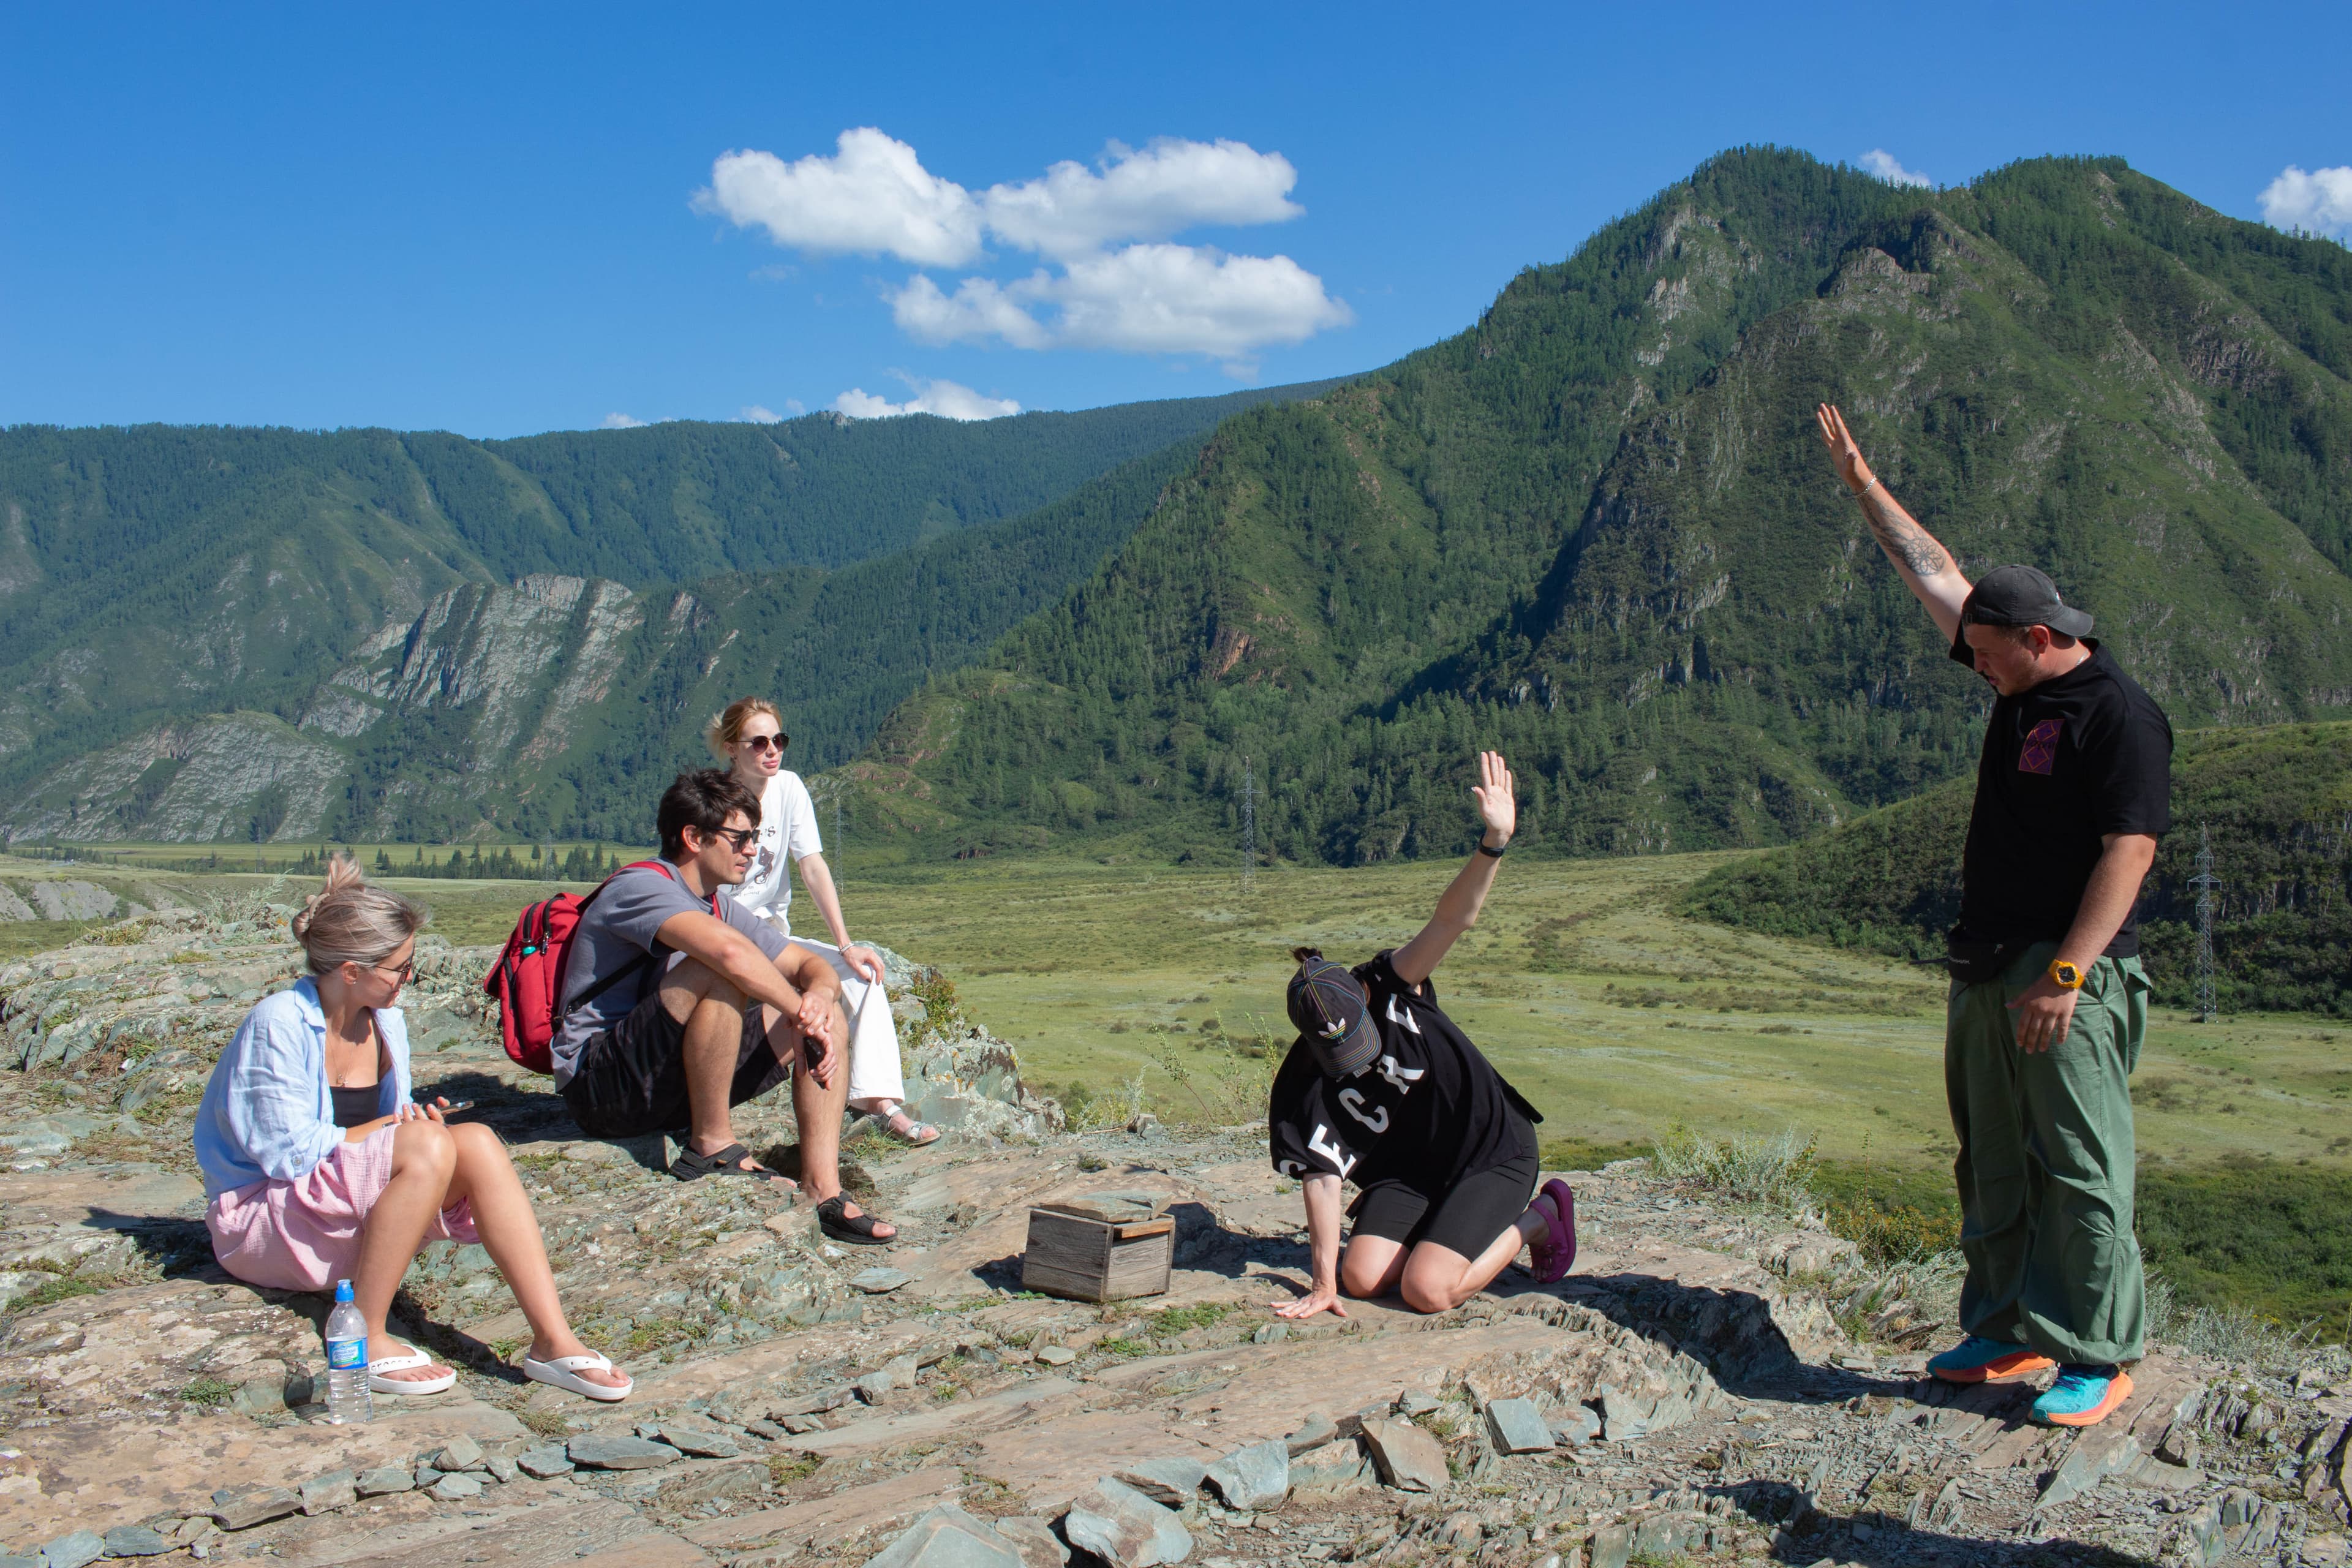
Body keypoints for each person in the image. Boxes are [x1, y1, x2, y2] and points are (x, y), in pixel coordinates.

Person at [1817, 404, 2171, 1428]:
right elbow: (1934, 574)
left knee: (2081, 1164)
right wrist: (1864, 486)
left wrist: (2067, 974)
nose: (1972, 665)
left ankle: (2098, 1351)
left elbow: (2131, 850)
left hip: (2066, 974)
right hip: (1986, 961)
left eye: (1986, 654)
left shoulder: (2118, 716)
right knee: (1994, 1156)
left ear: (2041, 638)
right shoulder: (2014, 681)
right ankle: (2007, 1325)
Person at [195, 859, 630, 1401]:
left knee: (477, 1143)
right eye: (399, 969)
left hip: (330, 1210)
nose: (408, 979)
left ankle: (552, 1340)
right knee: (425, 1143)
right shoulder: (278, 1022)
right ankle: (365, 1336)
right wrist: (396, 1128)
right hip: (265, 1222)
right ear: (351, 971)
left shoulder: (386, 1021)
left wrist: (406, 1127)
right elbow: (288, 1156)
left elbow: (381, 1140)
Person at [1267, 752, 1575, 1319]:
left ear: (1363, 999)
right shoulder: (1304, 1084)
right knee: (1359, 1279)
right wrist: (1323, 1284)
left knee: (1427, 1291)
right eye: (1337, 1054)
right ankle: (1443, 1227)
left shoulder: (1392, 981)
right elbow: (1322, 1178)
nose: (1352, 1062)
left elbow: (1451, 920)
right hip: (1413, 1172)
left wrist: (1494, 842)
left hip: (1490, 1152)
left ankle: (1541, 1218)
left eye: (1357, 1044)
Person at [553, 767, 897, 1245]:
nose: (752, 850)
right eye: (740, 838)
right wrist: (801, 1013)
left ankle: (824, 1190)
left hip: (668, 1084)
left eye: (754, 837)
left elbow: (807, 964)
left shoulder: (718, 905)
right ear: (693, 837)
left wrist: (818, 998)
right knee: (719, 968)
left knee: (828, 1011)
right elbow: (730, 955)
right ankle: (711, 1146)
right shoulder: (640, 887)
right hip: (601, 1087)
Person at [707, 697, 938, 1147]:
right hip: (722, 938)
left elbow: (812, 865)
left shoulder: (789, 788)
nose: (772, 750)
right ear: (732, 748)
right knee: (810, 1001)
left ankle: (879, 1104)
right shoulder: (712, 800)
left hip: (772, 938)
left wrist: (846, 944)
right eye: (759, 742)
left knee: (863, 977)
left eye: (779, 740)